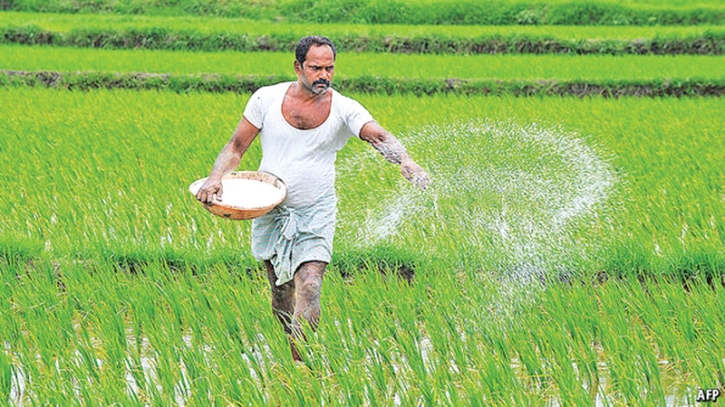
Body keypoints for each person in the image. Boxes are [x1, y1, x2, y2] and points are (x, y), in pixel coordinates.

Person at [195, 35, 430, 361]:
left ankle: (300, 363)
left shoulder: (345, 108)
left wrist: (404, 159)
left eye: (329, 68)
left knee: (310, 283)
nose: (324, 75)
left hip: (315, 209)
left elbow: (377, 135)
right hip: (270, 209)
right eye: (316, 68)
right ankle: (291, 347)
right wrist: (215, 178)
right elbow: (236, 147)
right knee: (281, 295)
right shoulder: (266, 99)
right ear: (298, 67)